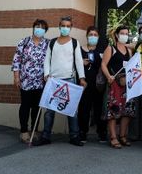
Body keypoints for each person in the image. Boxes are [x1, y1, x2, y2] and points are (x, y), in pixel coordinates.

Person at [33, 16, 87, 147]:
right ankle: (46, 136)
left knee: (72, 111)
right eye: (63, 25)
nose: (65, 28)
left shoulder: (75, 42)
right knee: (49, 111)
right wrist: (46, 74)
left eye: (68, 26)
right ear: (59, 26)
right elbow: (47, 59)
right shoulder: (52, 42)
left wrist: (82, 78)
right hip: (53, 81)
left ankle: (74, 136)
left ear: (71, 28)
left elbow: (79, 62)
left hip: (70, 80)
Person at [11, 19, 49, 143]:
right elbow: (16, 60)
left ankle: (34, 131)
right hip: (26, 81)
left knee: (37, 108)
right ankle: (23, 131)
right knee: (25, 106)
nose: (39, 29)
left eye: (42, 27)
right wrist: (16, 77)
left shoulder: (47, 44)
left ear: (45, 30)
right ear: (33, 28)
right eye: (37, 26)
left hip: (40, 81)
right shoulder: (24, 42)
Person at [101, 25, 136, 149]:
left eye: (127, 33)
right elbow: (103, 64)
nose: (125, 35)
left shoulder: (129, 51)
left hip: (126, 85)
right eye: (122, 33)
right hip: (114, 84)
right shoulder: (111, 48)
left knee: (127, 111)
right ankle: (113, 137)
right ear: (116, 35)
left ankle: (122, 136)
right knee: (113, 111)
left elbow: (132, 67)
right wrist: (108, 76)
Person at [77, 26, 107, 143]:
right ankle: (82, 132)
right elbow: (73, 64)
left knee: (99, 109)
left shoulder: (103, 50)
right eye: (91, 35)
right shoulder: (80, 49)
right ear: (87, 36)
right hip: (84, 83)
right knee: (84, 108)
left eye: (95, 35)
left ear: (98, 37)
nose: (93, 37)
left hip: (99, 84)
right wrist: (81, 63)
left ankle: (102, 132)